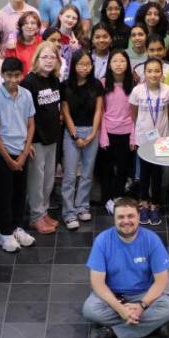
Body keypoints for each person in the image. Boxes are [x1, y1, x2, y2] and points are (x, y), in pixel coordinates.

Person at [83, 197, 169, 338]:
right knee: (90, 310)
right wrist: (120, 308)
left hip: (144, 294)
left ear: (139, 217)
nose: (126, 221)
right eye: (121, 217)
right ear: (113, 219)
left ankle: (110, 331)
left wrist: (141, 307)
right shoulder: (102, 241)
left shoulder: (152, 240)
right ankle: (152, 325)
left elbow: (162, 280)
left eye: (130, 216)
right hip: (113, 294)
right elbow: (97, 283)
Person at [0, 57, 37, 253]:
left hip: (21, 151)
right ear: (2, 76)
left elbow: (31, 123)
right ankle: (4, 233)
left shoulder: (26, 95)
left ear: (22, 75)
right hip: (2, 153)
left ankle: (16, 227)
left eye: (16, 75)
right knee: (3, 195)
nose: (13, 80)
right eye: (9, 76)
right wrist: (8, 159)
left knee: (19, 193)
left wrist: (24, 152)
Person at [21, 42, 64, 235]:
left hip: (52, 137)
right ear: (37, 59)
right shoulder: (29, 82)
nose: (49, 60)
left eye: (52, 57)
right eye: (45, 57)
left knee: (48, 180)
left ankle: (44, 211)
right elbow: (23, 115)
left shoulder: (54, 80)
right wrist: (26, 142)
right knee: (36, 182)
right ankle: (35, 217)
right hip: (37, 139)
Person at [129, 57, 169, 225]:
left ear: (162, 73)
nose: (153, 74)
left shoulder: (168, 91)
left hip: (161, 140)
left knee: (157, 174)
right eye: (149, 71)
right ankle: (143, 204)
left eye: (157, 71)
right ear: (144, 73)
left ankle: (155, 205)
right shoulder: (137, 91)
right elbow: (133, 115)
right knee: (144, 174)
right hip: (143, 139)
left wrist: (167, 132)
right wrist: (134, 136)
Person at [61, 50, 103, 229]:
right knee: (70, 175)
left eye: (88, 64)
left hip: (92, 131)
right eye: (80, 64)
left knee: (87, 173)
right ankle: (69, 212)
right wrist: (75, 135)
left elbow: (99, 111)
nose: (84, 68)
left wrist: (93, 133)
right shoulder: (65, 85)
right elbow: (65, 113)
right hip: (72, 133)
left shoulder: (96, 84)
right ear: (74, 66)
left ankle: (82, 206)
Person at [98, 50, 136, 207]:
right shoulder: (102, 83)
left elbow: (136, 114)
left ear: (127, 64)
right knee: (106, 169)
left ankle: (118, 197)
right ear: (109, 64)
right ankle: (107, 199)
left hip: (126, 132)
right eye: (115, 61)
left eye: (122, 61)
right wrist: (103, 135)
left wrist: (133, 136)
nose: (119, 64)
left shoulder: (134, 84)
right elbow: (101, 111)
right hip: (108, 132)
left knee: (122, 168)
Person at [5, 10, 43, 76]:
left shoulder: (42, 42)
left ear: (37, 28)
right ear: (21, 27)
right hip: (20, 82)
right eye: (25, 23)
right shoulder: (12, 45)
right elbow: (10, 69)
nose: (29, 26)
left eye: (33, 23)